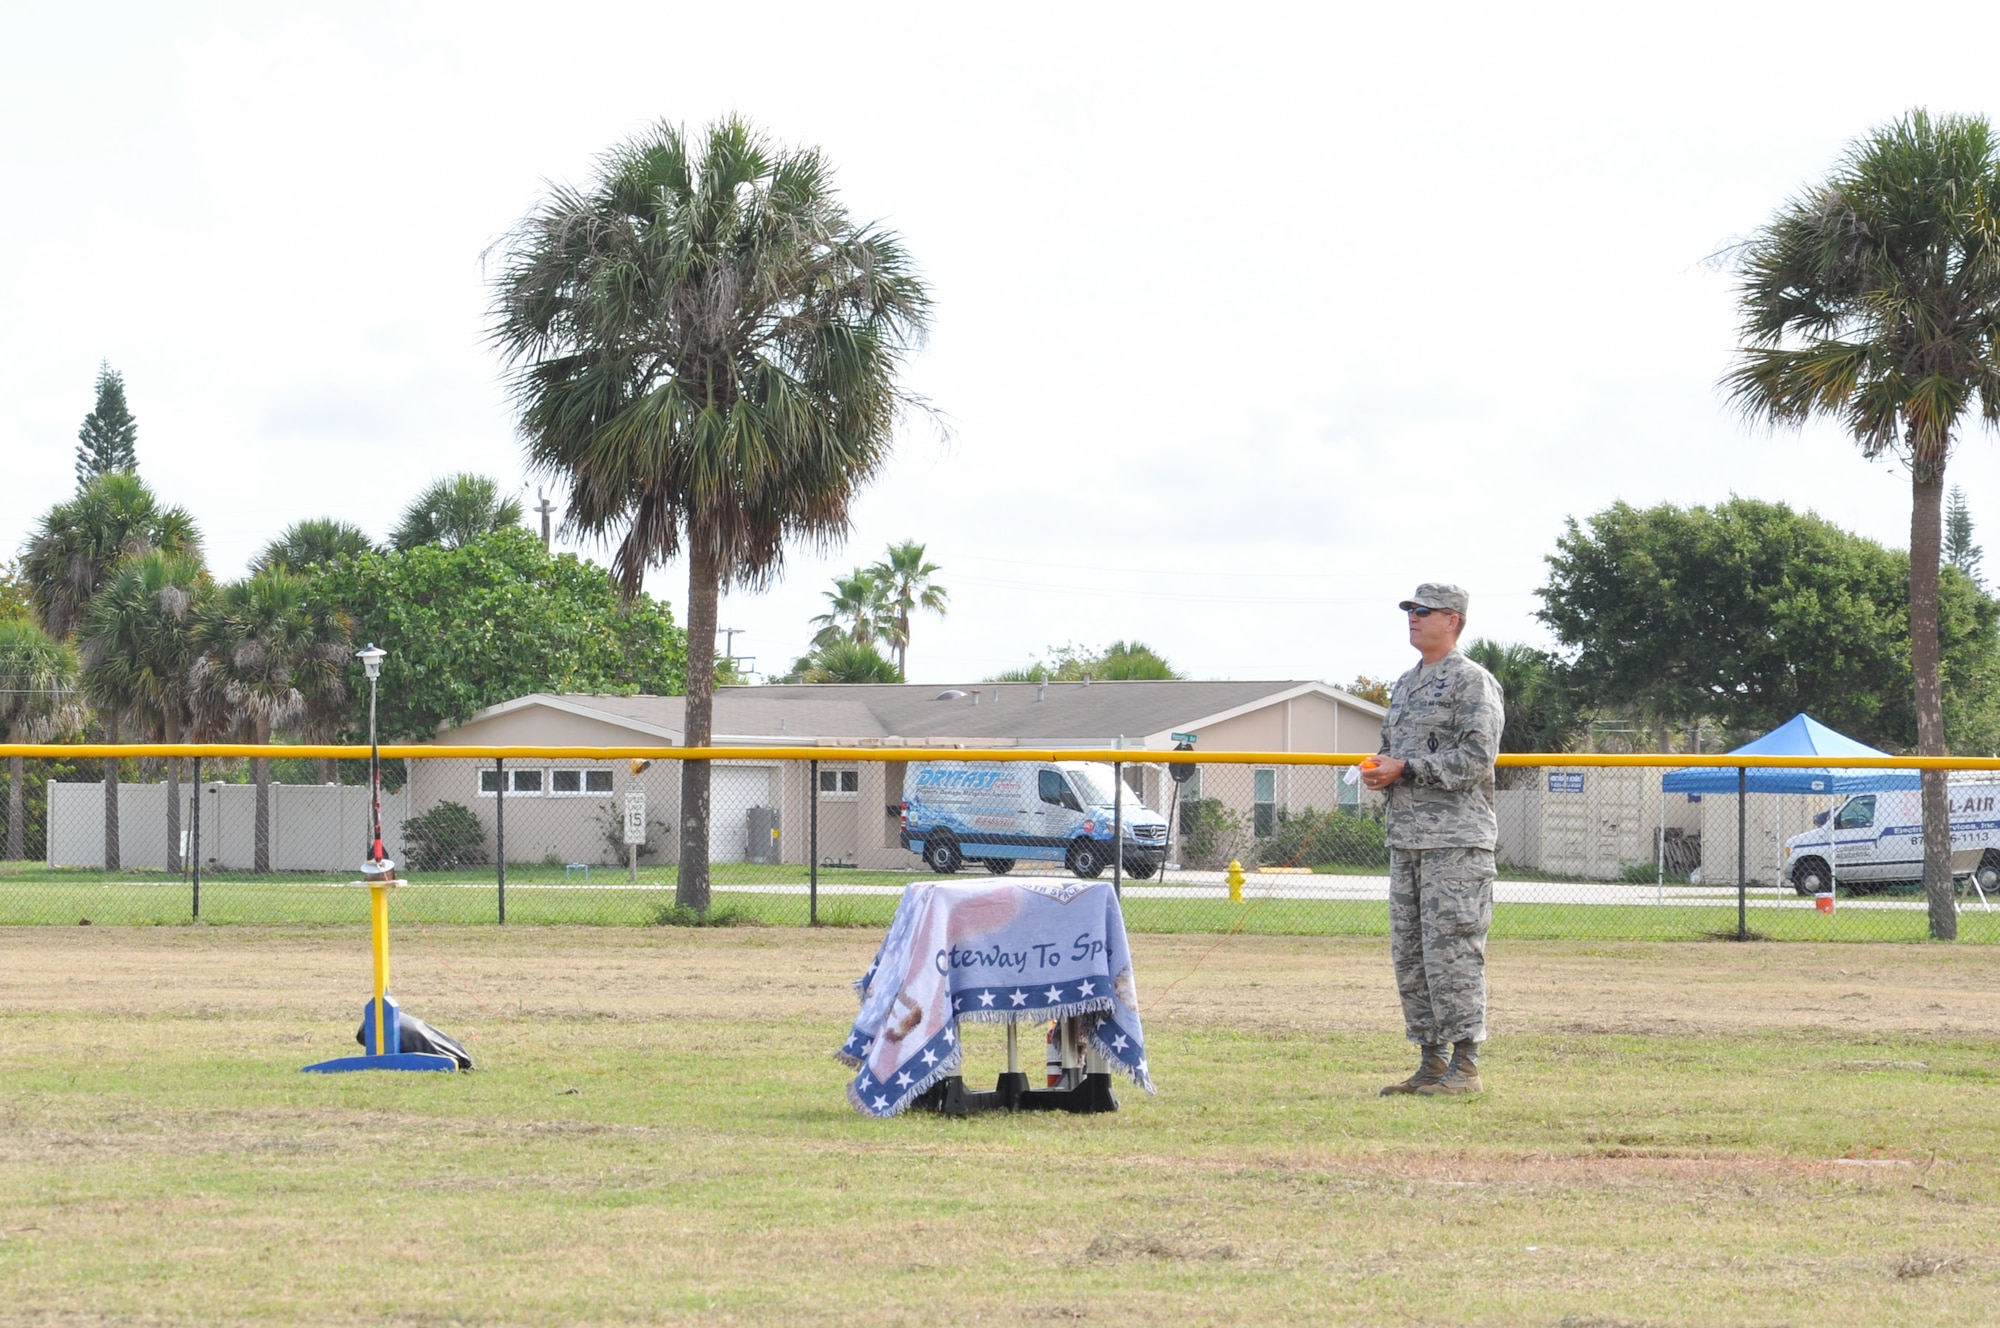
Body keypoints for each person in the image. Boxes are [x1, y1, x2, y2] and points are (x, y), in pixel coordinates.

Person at [1360, 583, 1504, 1096]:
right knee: (1414, 956)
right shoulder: (1405, 683)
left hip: (1456, 843)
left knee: (1454, 952)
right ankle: (1431, 1062)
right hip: (1408, 840)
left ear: (1453, 620)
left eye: (1423, 612)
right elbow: (1390, 749)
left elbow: (1475, 760)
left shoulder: (1472, 682)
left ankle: (1465, 1065)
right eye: (1410, 611)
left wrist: (1409, 769)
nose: (1413, 619)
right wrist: (1381, 770)